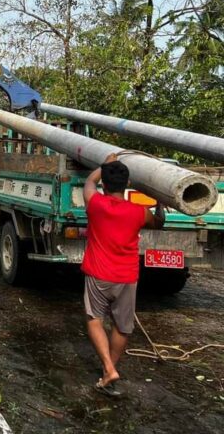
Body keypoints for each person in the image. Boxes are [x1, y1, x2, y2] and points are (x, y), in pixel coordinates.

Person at [82, 153, 165, 397]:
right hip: (127, 276)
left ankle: (108, 369)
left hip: (98, 274)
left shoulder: (96, 204)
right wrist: (159, 203)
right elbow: (158, 222)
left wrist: (104, 163)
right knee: (123, 327)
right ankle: (111, 369)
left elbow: (89, 183)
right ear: (127, 184)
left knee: (94, 319)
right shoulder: (137, 212)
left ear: (104, 185)